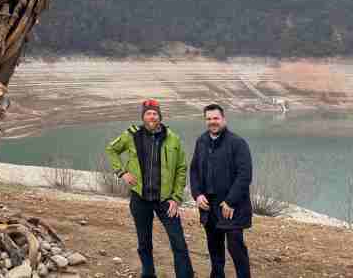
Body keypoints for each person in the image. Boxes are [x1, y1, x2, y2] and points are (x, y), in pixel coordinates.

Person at [106, 99, 194, 278]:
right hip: (140, 199)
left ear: (160, 117)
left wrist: (176, 198)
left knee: (178, 242)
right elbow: (111, 149)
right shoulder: (132, 135)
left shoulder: (172, 138)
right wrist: (121, 172)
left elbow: (181, 169)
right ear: (143, 117)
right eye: (148, 113)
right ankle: (148, 274)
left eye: (155, 113)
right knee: (144, 242)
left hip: (166, 201)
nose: (152, 116)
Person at [189, 104, 253, 278]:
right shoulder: (201, 141)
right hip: (209, 207)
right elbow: (194, 170)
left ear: (223, 119)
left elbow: (244, 175)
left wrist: (231, 201)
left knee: (236, 249)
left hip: (232, 208)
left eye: (216, 118)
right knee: (215, 249)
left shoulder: (237, 143)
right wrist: (197, 194)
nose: (212, 122)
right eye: (208, 119)